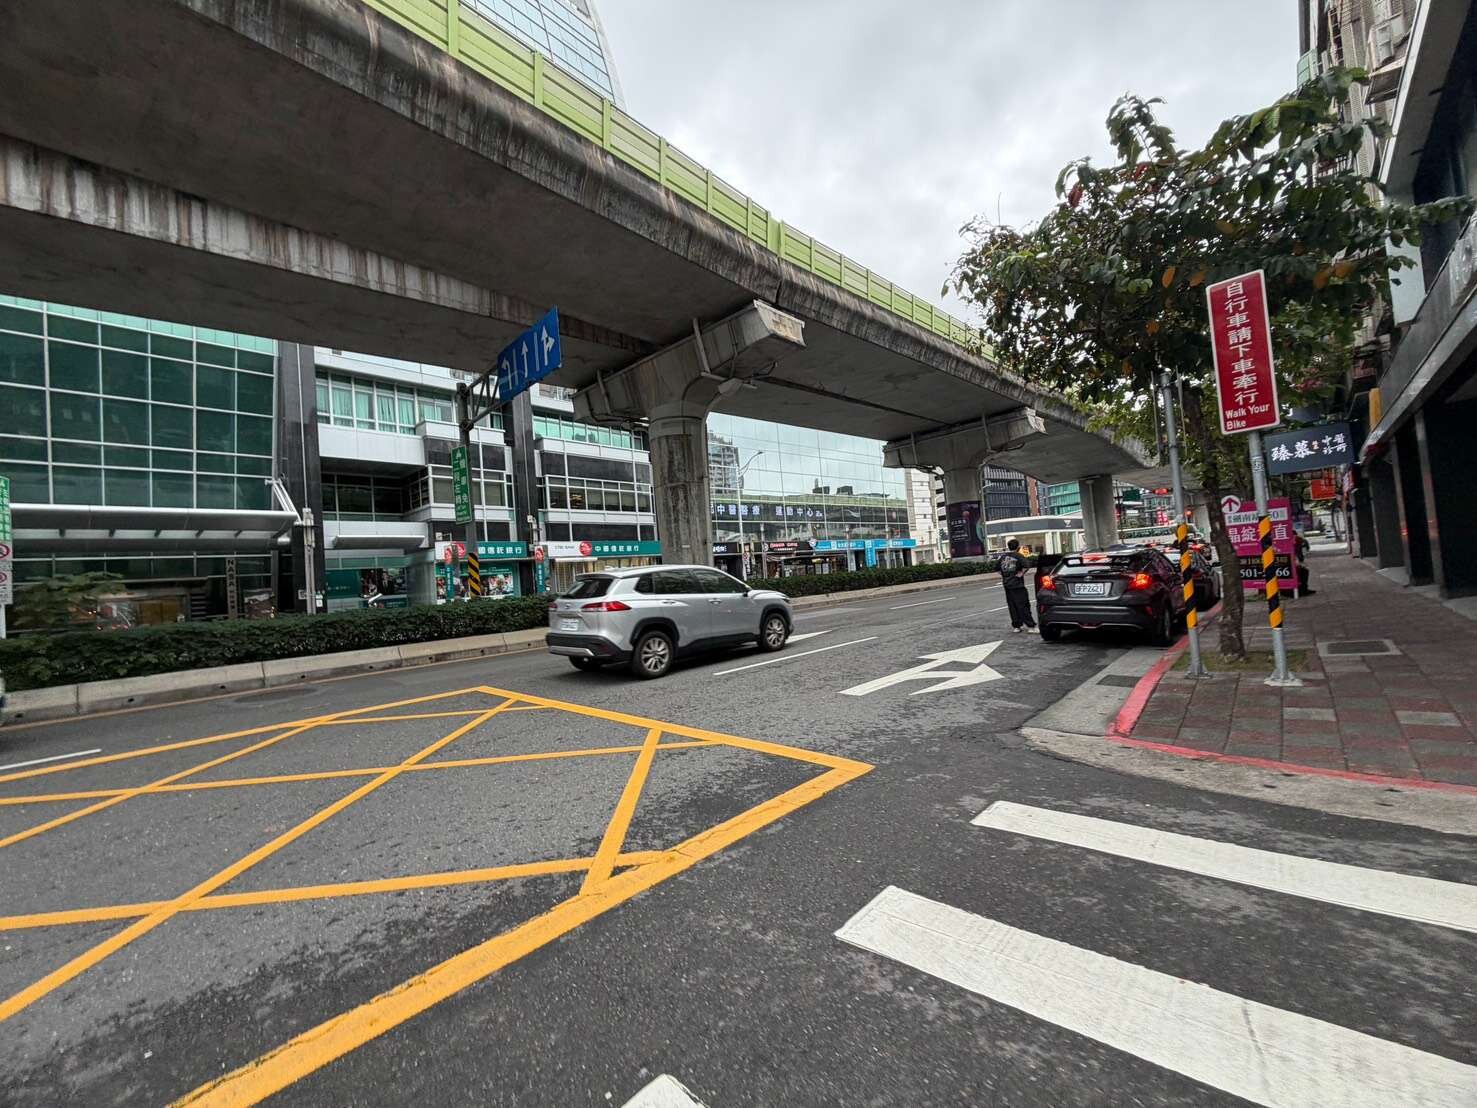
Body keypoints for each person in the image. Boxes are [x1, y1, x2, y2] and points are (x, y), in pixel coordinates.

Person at [997, 538, 1037, 633]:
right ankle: (1031, 626)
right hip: (1017, 584)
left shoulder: (1003, 557)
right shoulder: (1018, 556)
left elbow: (997, 569)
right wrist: (1021, 573)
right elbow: (1027, 565)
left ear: (1008, 547)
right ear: (1018, 547)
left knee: (1012, 605)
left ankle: (1017, 626)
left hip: (1007, 584)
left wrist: (1005, 575)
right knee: (1023, 604)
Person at [1295, 529, 1316, 596]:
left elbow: (1304, 550)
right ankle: (1303, 589)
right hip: (1296, 561)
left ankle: (1302, 589)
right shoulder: (1301, 540)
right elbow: (1305, 550)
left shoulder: (1300, 540)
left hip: (1294, 561)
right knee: (1303, 572)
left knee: (1303, 572)